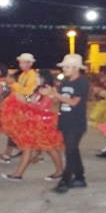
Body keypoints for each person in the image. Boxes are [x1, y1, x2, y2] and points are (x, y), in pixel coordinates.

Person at [0, 70, 64, 182]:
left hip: (45, 124)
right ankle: (18, 174)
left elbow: (43, 105)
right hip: (35, 123)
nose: (36, 79)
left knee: (50, 149)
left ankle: (60, 171)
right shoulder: (38, 89)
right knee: (28, 147)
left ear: (45, 78)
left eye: (38, 77)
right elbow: (30, 100)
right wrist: (19, 96)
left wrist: (25, 100)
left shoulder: (51, 90)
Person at [43, 54, 91, 194]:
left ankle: (65, 180)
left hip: (76, 121)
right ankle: (80, 178)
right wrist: (51, 94)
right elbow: (59, 101)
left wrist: (55, 95)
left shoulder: (82, 82)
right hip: (65, 119)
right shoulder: (65, 81)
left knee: (70, 150)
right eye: (64, 66)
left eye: (67, 66)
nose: (64, 68)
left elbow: (74, 102)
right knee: (72, 150)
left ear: (76, 68)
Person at [0, 54, 37, 163]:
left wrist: (13, 84)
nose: (21, 65)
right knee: (16, 130)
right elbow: (18, 91)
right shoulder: (23, 75)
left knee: (18, 130)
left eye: (23, 62)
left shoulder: (32, 75)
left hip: (25, 106)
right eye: (20, 62)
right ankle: (16, 154)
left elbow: (28, 92)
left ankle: (10, 155)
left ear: (30, 63)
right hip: (19, 105)